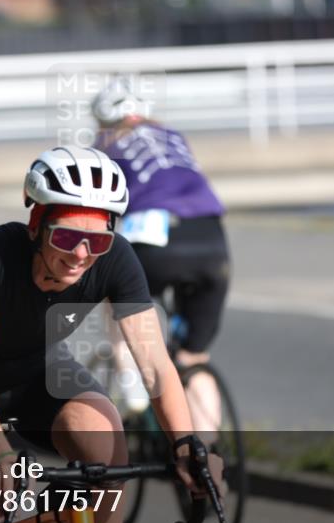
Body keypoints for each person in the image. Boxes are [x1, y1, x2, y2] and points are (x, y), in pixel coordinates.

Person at [0, 146, 222, 523]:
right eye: (66, 237)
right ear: (37, 224)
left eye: (96, 241)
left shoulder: (117, 258)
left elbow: (154, 363)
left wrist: (186, 444)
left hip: (37, 376)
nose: (81, 253)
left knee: (105, 433)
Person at [91, 77, 231, 434]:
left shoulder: (105, 146)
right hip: (212, 240)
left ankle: (134, 393)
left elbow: (99, 211)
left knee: (116, 300)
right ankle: (208, 459)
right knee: (195, 357)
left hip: (155, 241)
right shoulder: (174, 137)